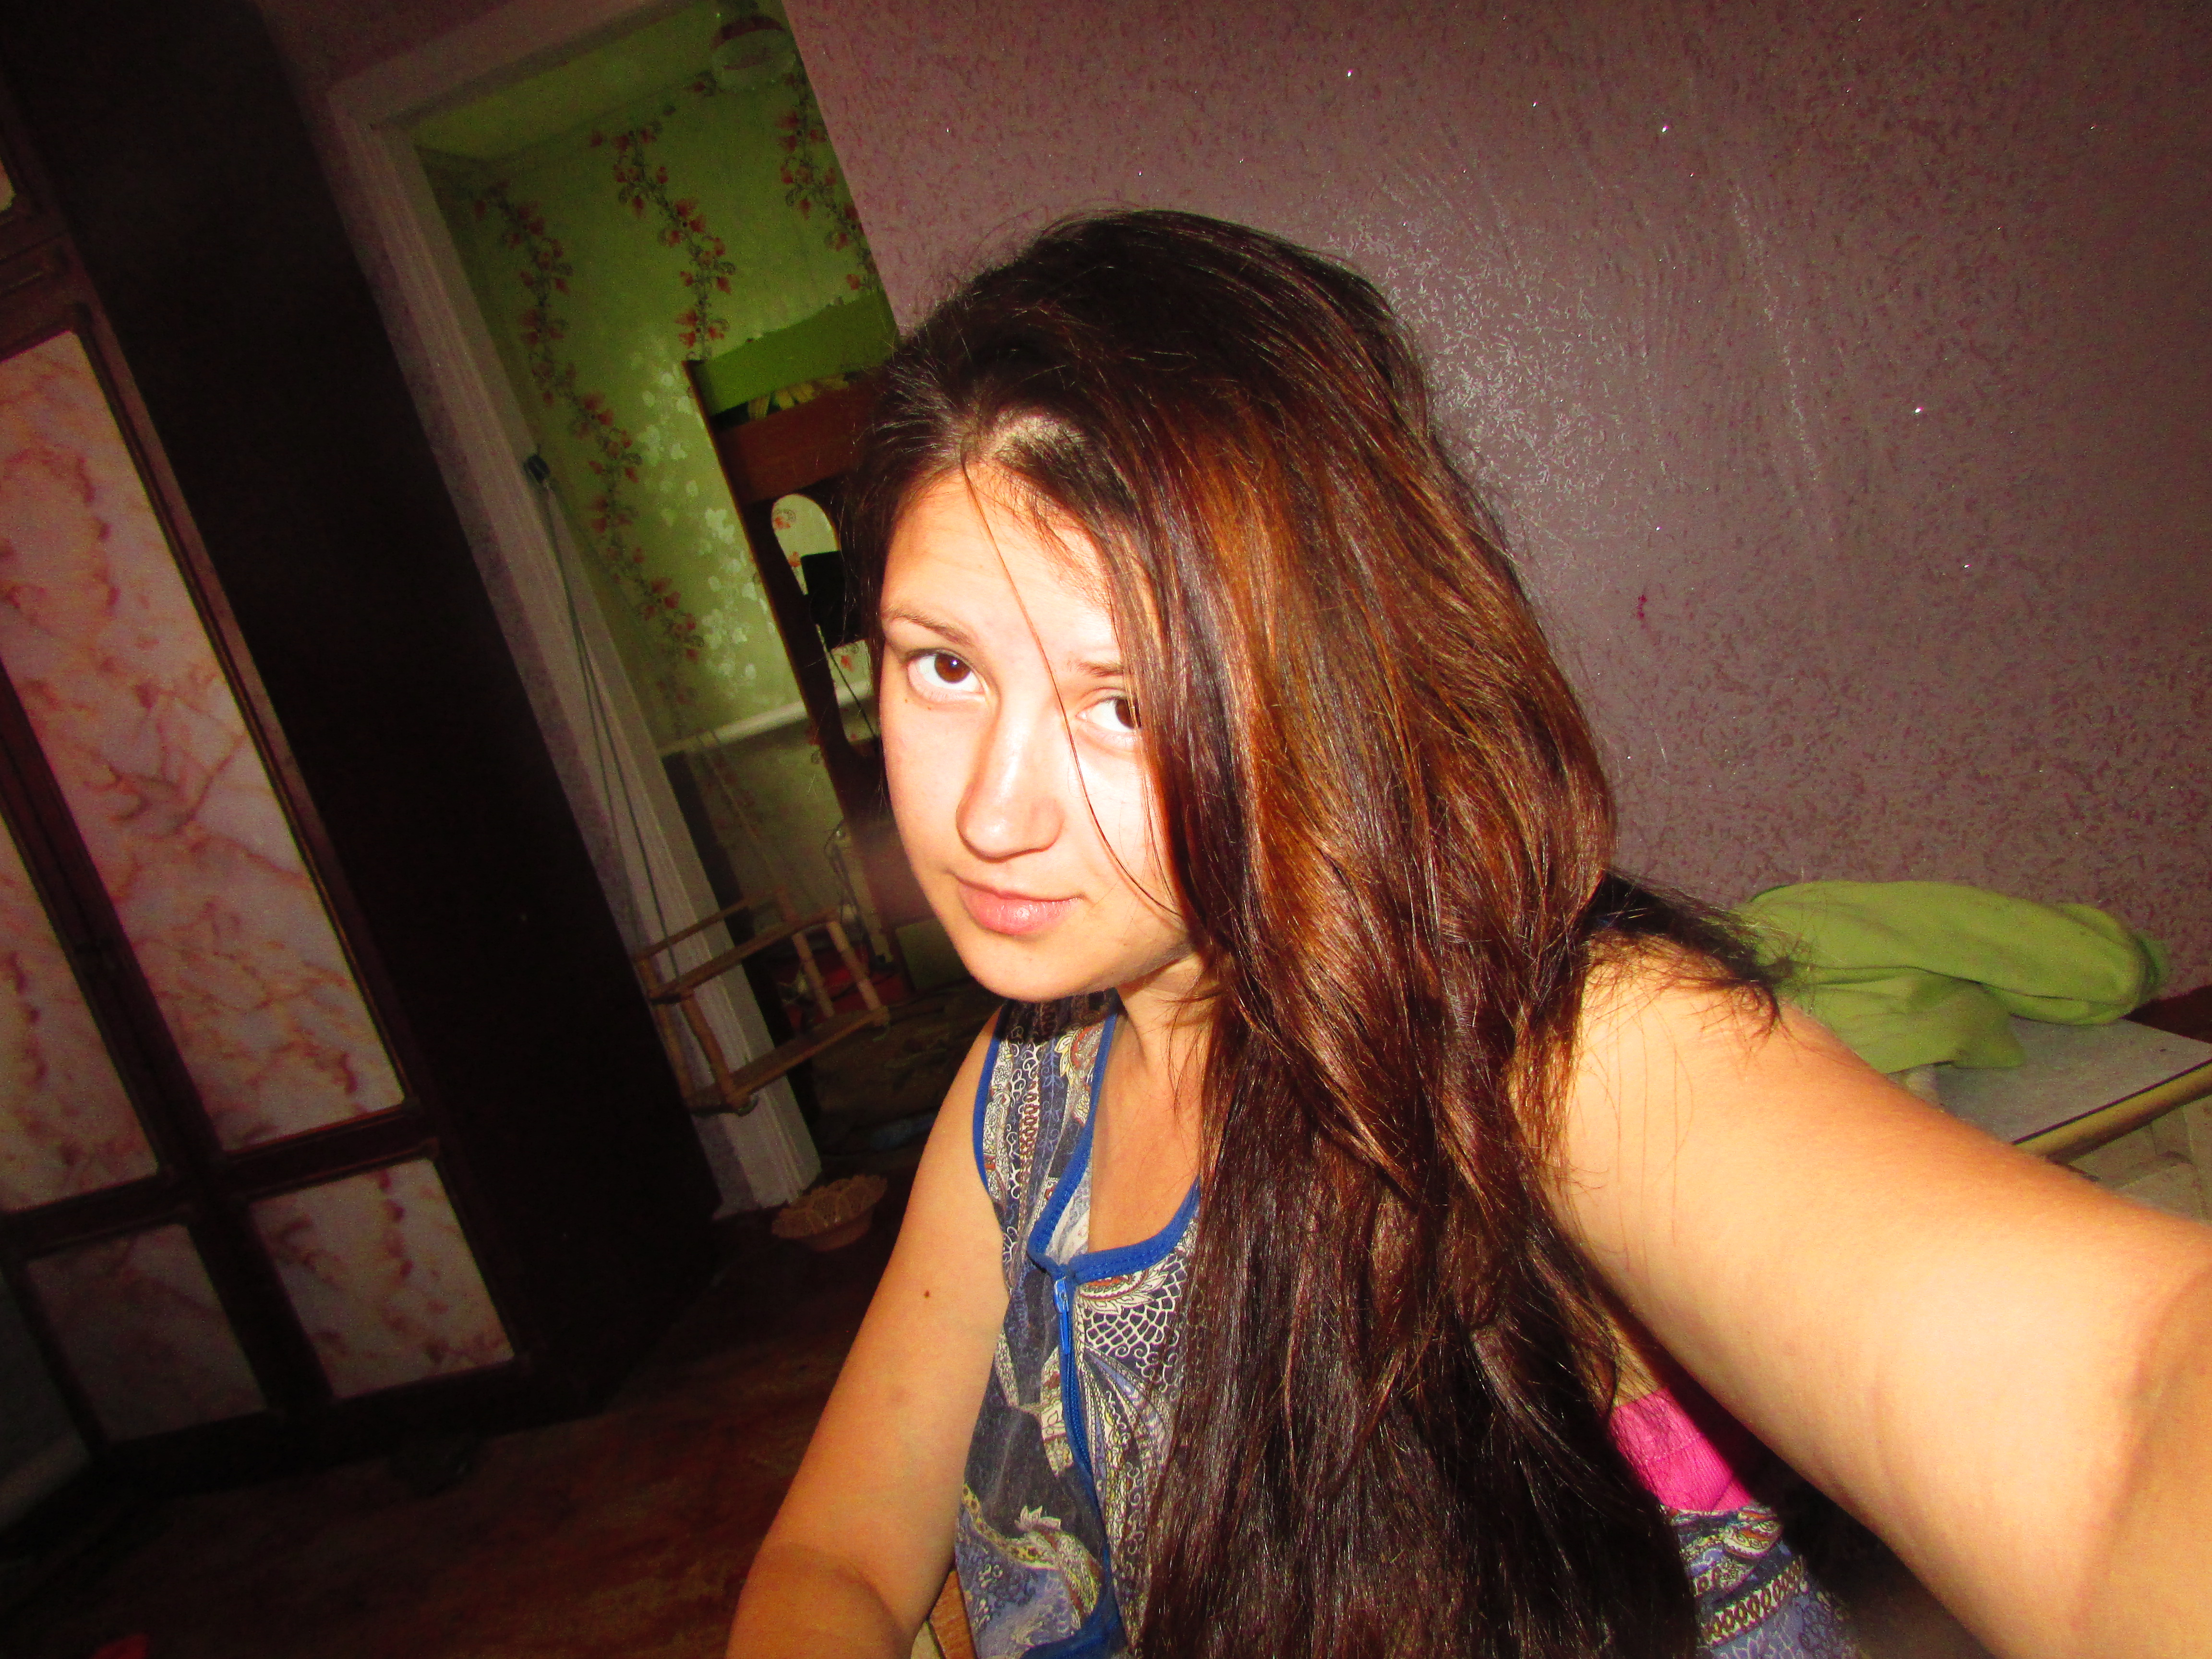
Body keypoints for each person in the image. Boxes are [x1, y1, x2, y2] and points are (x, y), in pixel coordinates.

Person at [725, 211, 2212, 1659]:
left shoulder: (1539, 1052)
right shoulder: (1023, 1092)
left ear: (1321, 690)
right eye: (944, 666)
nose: (990, 812)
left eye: (1125, 703)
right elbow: (836, 1556)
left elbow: (2123, 1417)